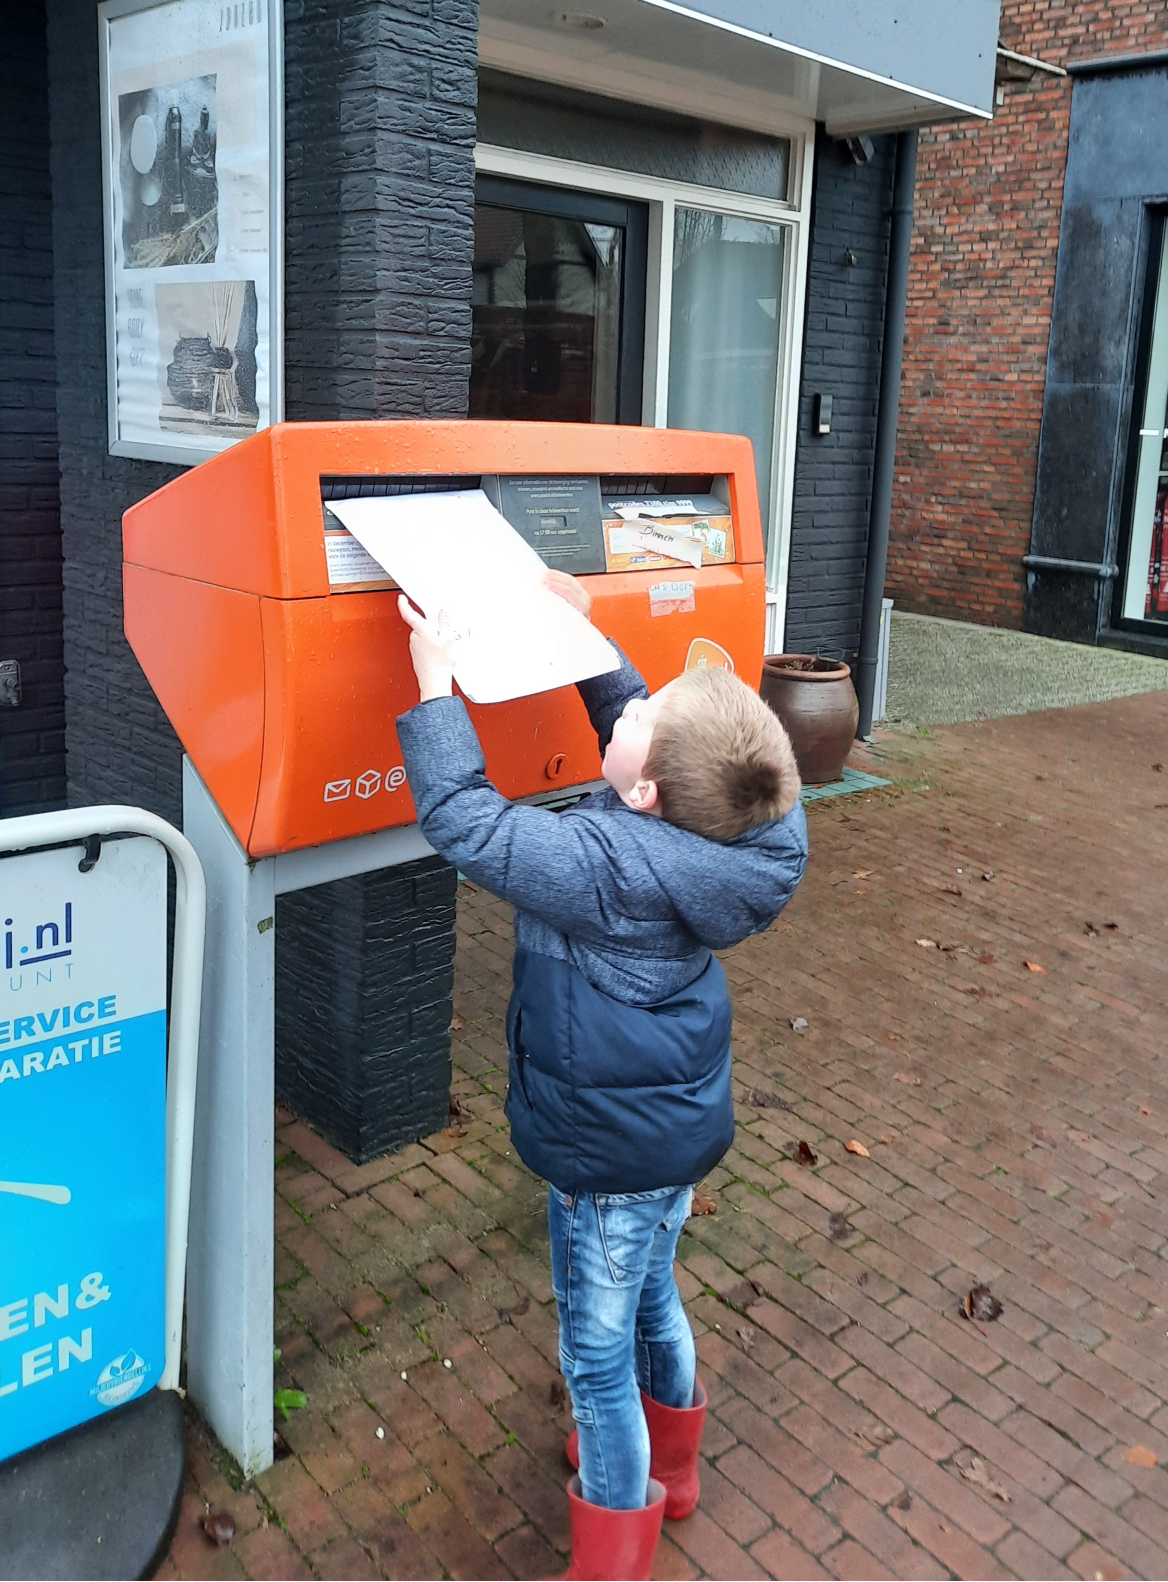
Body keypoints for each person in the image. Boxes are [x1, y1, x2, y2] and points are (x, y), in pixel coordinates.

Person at [396, 572, 807, 1582]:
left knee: (595, 1357)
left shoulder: (604, 863)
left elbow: (470, 825)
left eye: (641, 713)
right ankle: (678, 1468)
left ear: (644, 793)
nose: (628, 706)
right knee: (653, 1295)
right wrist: (585, 639)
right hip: (674, 1131)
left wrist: (433, 688)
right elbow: (652, 734)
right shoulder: (752, 831)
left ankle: (615, 1547)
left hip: (604, 1151)